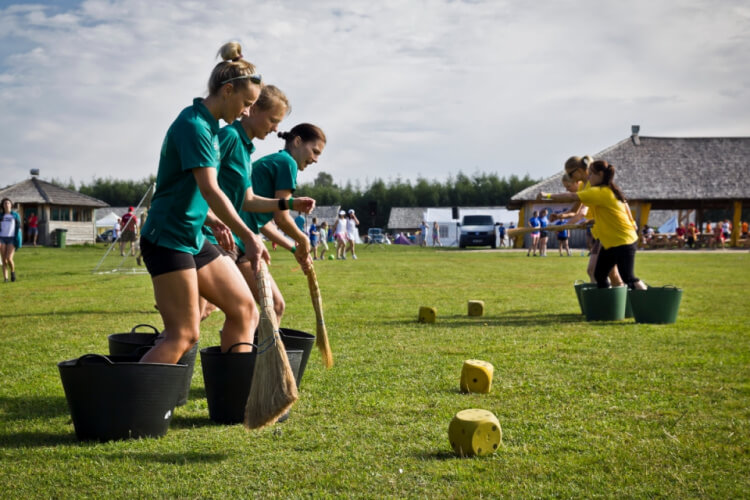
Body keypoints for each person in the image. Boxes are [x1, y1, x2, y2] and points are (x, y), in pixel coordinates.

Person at [138, 42, 280, 363]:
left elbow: (191, 190)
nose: (246, 112)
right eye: (246, 103)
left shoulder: (213, 129)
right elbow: (211, 190)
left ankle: (234, 399)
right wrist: (248, 236)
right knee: (184, 335)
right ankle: (125, 407)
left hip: (192, 236)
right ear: (227, 91)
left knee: (245, 310)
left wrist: (210, 220)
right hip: (167, 238)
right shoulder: (195, 126)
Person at [202, 85, 316, 323]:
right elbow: (198, 181)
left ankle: (256, 359)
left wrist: (291, 204)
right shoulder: (230, 137)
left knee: (268, 307)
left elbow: (248, 202)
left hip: (238, 239)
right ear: (252, 109)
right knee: (205, 318)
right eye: (273, 120)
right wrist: (210, 218)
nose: (276, 128)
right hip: (212, 238)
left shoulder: (245, 148)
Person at [244, 123, 326, 318]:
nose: (315, 159)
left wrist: (293, 248)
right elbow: (281, 218)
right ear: (297, 141)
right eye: (314, 152)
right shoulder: (286, 163)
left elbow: (261, 223)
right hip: (234, 240)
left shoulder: (279, 160)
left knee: (263, 309)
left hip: (239, 238)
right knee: (265, 309)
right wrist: (304, 240)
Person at [539, 160, 646, 290]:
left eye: (592, 174)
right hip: (610, 242)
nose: (589, 177)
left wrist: (548, 195)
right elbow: (602, 213)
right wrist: (590, 221)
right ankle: (608, 307)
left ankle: (648, 303)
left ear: (600, 174)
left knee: (628, 278)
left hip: (623, 241)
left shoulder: (601, 192)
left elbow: (572, 196)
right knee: (599, 275)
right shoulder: (605, 190)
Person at [550, 156, 624, 286]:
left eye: (569, 176)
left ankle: (612, 300)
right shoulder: (583, 187)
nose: (567, 189)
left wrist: (564, 226)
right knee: (608, 273)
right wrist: (560, 217)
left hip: (608, 234)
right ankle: (613, 301)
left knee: (599, 272)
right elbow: (575, 210)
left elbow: (581, 213)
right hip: (600, 233)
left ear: (578, 172)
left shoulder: (591, 186)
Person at [0, 198, 22, 282]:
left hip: (12, 238)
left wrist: (18, 239)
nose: (6, 204)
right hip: (2, 237)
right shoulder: (1, 216)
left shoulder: (15, 215)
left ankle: (12, 272)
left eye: (8, 203)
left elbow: (19, 228)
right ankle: (5, 278)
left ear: (11, 205)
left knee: (9, 258)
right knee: (3, 259)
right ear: (3, 205)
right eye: (5, 203)